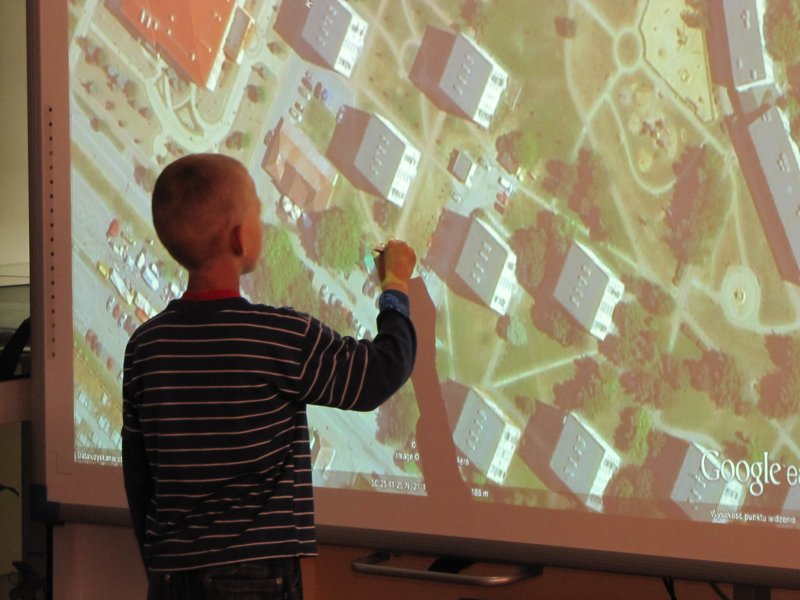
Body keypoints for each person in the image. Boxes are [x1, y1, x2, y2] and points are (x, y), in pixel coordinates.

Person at [121, 153, 417, 599]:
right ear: (239, 238)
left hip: (170, 576)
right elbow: (381, 372)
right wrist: (395, 286)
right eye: (257, 212)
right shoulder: (277, 336)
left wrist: (162, 565)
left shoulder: (145, 347)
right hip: (255, 579)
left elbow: (138, 476)